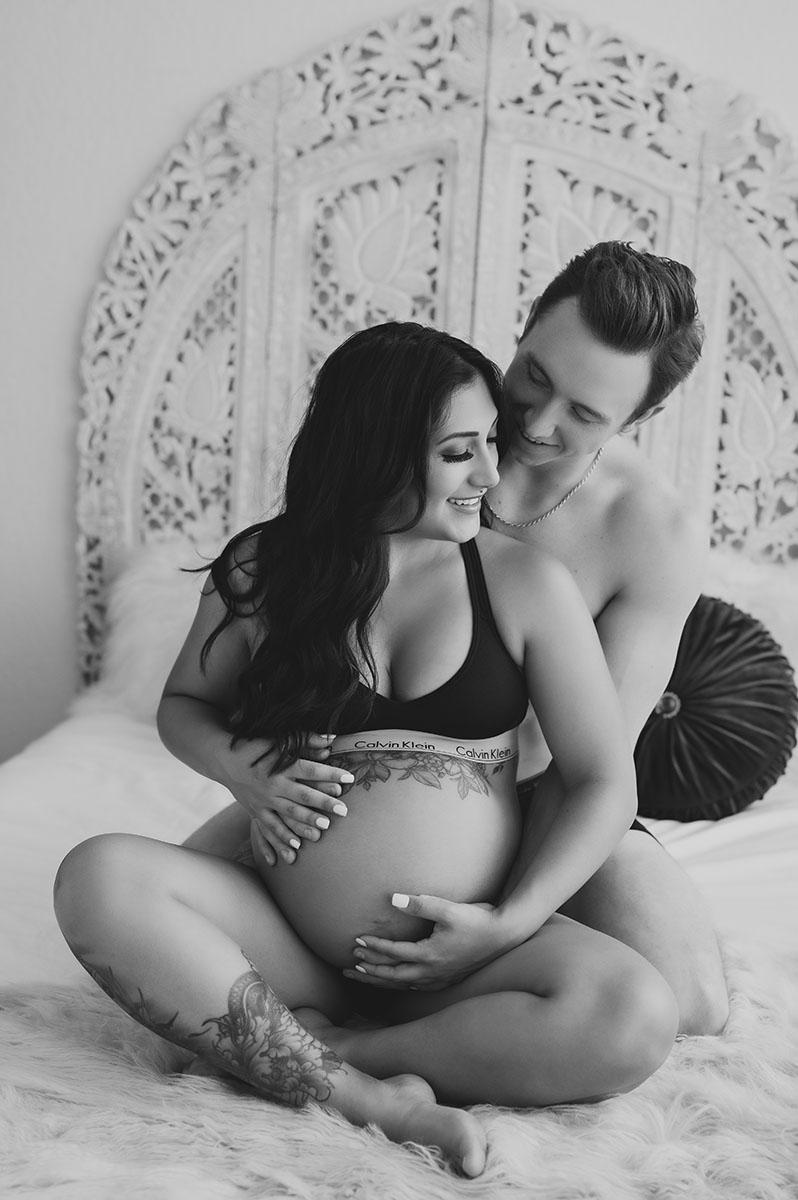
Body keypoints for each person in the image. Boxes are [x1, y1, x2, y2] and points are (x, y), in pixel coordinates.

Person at [53, 322, 678, 1178]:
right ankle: (365, 1097)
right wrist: (243, 769)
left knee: (637, 1011)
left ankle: (323, 1052)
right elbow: (184, 707)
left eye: (490, 444)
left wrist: (507, 925)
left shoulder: (525, 584)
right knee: (98, 876)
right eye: (463, 452)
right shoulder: (265, 568)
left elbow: (605, 780)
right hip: (287, 943)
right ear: (378, 451)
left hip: (458, 962)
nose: (494, 475)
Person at [185, 244, 729, 1037]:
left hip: (536, 798)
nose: (538, 423)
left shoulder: (650, 534)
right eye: (536, 375)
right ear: (525, 329)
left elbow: (592, 770)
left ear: (639, 419)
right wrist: (262, 782)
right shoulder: (433, 421)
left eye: (585, 414)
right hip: (357, 766)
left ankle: (376, 1043)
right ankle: (349, 1006)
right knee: (166, 922)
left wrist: (504, 916)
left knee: (692, 1007)